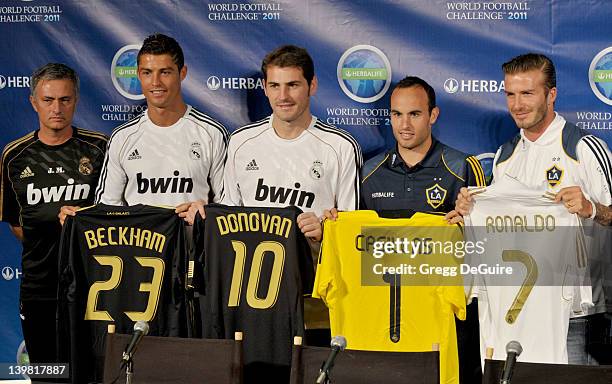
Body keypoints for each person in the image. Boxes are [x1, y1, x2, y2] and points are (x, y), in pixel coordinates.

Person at [450, 53, 612, 364]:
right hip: (516, 309)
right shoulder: (505, 156)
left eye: (527, 93)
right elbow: (498, 232)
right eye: (510, 94)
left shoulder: (583, 148)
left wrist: (592, 209)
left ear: (551, 95)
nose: (517, 104)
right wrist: (468, 215)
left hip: (576, 314)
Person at [217, 44, 362, 341]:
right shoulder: (241, 143)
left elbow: (353, 232)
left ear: (312, 85)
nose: (283, 96)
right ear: (264, 88)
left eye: (293, 85)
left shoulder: (340, 147)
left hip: (313, 302)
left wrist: (326, 231)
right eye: (275, 86)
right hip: (250, 298)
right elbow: (226, 219)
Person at [360, 76, 485, 384]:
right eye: (396, 114)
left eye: (414, 114)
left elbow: (486, 239)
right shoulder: (370, 172)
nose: (404, 124)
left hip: (447, 312)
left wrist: (468, 224)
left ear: (433, 115)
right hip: (389, 312)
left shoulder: (462, 166)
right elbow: (359, 247)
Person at [0, 63, 108, 363]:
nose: (57, 108)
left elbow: (114, 212)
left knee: (93, 369)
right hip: (39, 287)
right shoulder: (14, 156)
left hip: (94, 284)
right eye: (48, 100)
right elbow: (16, 223)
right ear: (34, 102)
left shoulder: (99, 148)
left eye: (65, 99)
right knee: (47, 371)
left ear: (76, 100)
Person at [84, 33, 227, 215]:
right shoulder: (122, 138)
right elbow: (107, 208)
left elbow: (227, 206)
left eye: (165, 72)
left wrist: (206, 214)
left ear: (182, 73)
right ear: (138, 75)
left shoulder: (212, 134)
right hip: (137, 243)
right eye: (147, 73)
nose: (155, 82)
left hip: (194, 242)